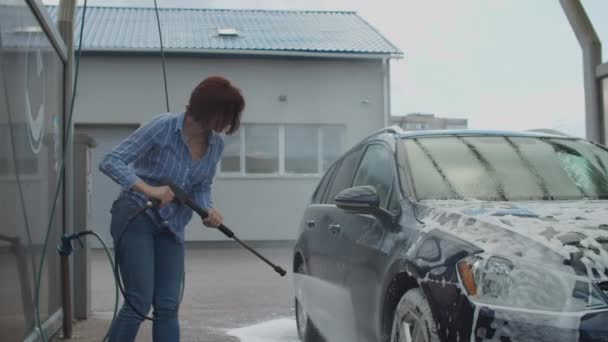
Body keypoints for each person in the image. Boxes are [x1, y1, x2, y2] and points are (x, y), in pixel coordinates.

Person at [99, 76, 245, 341]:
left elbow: (202, 184)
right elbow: (111, 160)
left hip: (172, 225)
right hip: (135, 215)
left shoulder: (216, 145)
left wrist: (208, 209)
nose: (230, 122)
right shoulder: (162, 127)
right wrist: (148, 189)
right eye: (228, 114)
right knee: (139, 300)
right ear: (208, 108)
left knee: (167, 306)